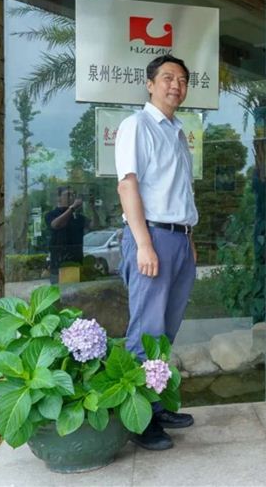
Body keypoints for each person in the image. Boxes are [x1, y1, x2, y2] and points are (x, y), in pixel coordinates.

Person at [115, 55, 198, 451]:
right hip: (152, 237)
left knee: (165, 332)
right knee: (147, 331)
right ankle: (139, 420)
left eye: (182, 79)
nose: (175, 85)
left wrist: (188, 237)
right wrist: (144, 243)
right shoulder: (137, 125)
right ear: (150, 84)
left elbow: (178, 191)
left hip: (178, 239)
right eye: (167, 77)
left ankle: (156, 405)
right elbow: (127, 185)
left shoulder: (177, 132)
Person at [45, 187, 94, 284]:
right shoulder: (51, 214)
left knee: (76, 290)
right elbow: (56, 225)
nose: (72, 197)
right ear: (59, 198)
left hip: (76, 262)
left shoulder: (78, 217)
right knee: (59, 290)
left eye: (73, 195)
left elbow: (94, 225)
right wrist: (72, 208)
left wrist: (93, 209)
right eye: (68, 195)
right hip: (59, 263)